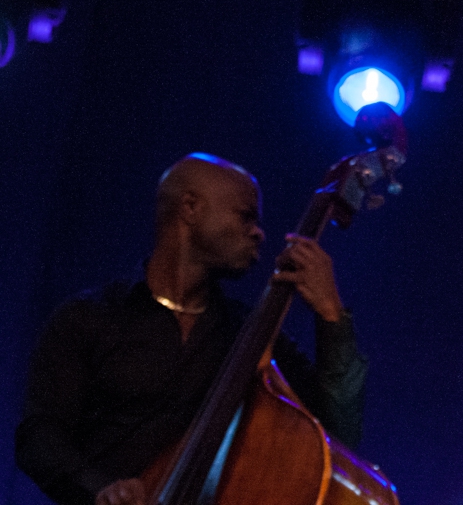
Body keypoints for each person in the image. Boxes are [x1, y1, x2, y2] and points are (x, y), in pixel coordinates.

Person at [15, 153, 368, 505]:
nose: (259, 233)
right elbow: (40, 437)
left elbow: (338, 433)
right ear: (190, 208)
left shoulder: (253, 338)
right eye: (246, 216)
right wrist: (101, 488)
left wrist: (331, 317)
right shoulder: (87, 318)